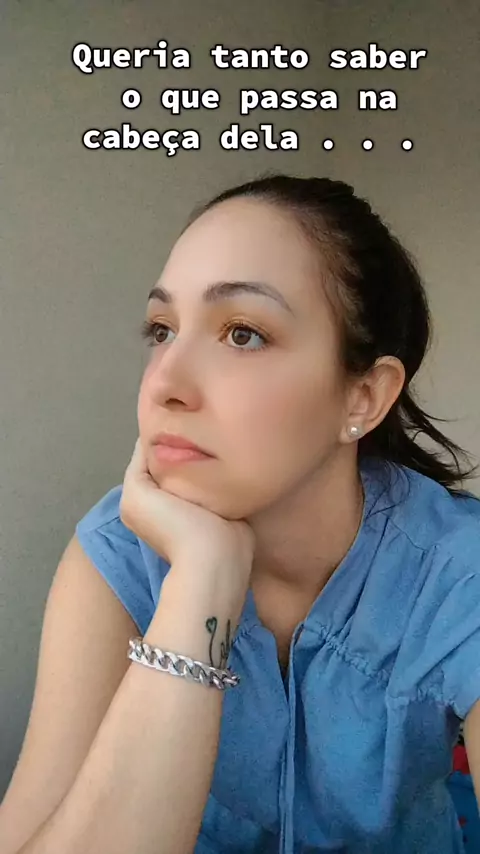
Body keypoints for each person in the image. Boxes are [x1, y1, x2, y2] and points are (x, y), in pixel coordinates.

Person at [1, 173, 480, 854]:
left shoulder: (458, 570)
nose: (165, 383)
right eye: (162, 330)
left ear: (364, 397)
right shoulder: (116, 556)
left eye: (243, 334)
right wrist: (201, 581)